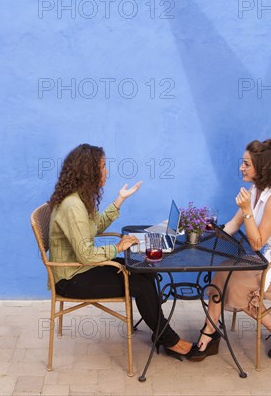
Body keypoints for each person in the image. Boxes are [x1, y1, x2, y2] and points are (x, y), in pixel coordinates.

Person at [48, 144, 193, 359]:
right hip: (71, 278)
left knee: (144, 269)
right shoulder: (73, 205)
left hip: (83, 268)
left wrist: (119, 199)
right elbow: (85, 255)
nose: (107, 171)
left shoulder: (80, 198)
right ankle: (169, 340)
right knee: (141, 285)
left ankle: (160, 331)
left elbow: (95, 227)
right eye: (103, 167)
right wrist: (117, 247)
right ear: (90, 172)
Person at [192, 139, 271, 361]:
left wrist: (247, 210)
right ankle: (210, 331)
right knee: (221, 271)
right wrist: (201, 236)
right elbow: (232, 226)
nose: (241, 167)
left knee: (237, 284)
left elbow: (257, 242)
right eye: (243, 163)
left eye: (247, 164)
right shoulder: (256, 189)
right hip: (268, 259)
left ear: (263, 168)